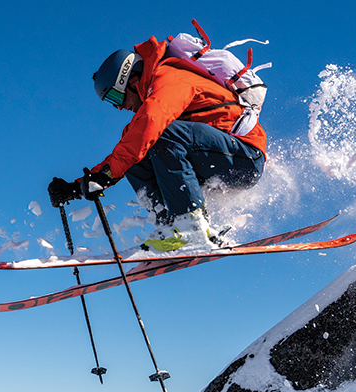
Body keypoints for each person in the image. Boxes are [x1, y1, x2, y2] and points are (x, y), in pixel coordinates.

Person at [48, 35, 267, 253]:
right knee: (136, 152)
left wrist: (105, 175)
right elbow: (126, 151)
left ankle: (190, 225)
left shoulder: (170, 78)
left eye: (117, 97)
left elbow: (151, 123)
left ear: (132, 80)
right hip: (214, 160)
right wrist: (78, 187)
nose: (120, 107)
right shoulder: (151, 104)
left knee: (157, 135)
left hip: (245, 158)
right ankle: (172, 226)